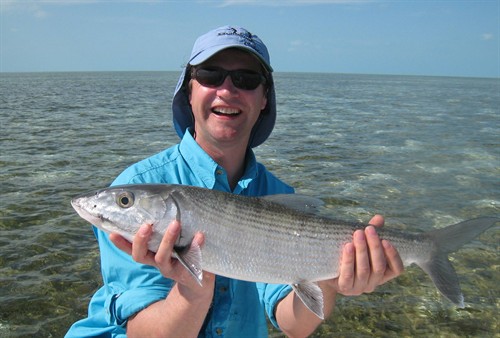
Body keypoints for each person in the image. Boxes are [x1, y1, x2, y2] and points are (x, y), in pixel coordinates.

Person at [66, 25, 404, 337]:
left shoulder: (279, 194)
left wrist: (331, 280)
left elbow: (293, 324)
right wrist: (192, 291)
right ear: (189, 91)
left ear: (264, 99)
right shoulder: (139, 181)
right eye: (210, 75)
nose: (227, 90)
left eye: (245, 79)